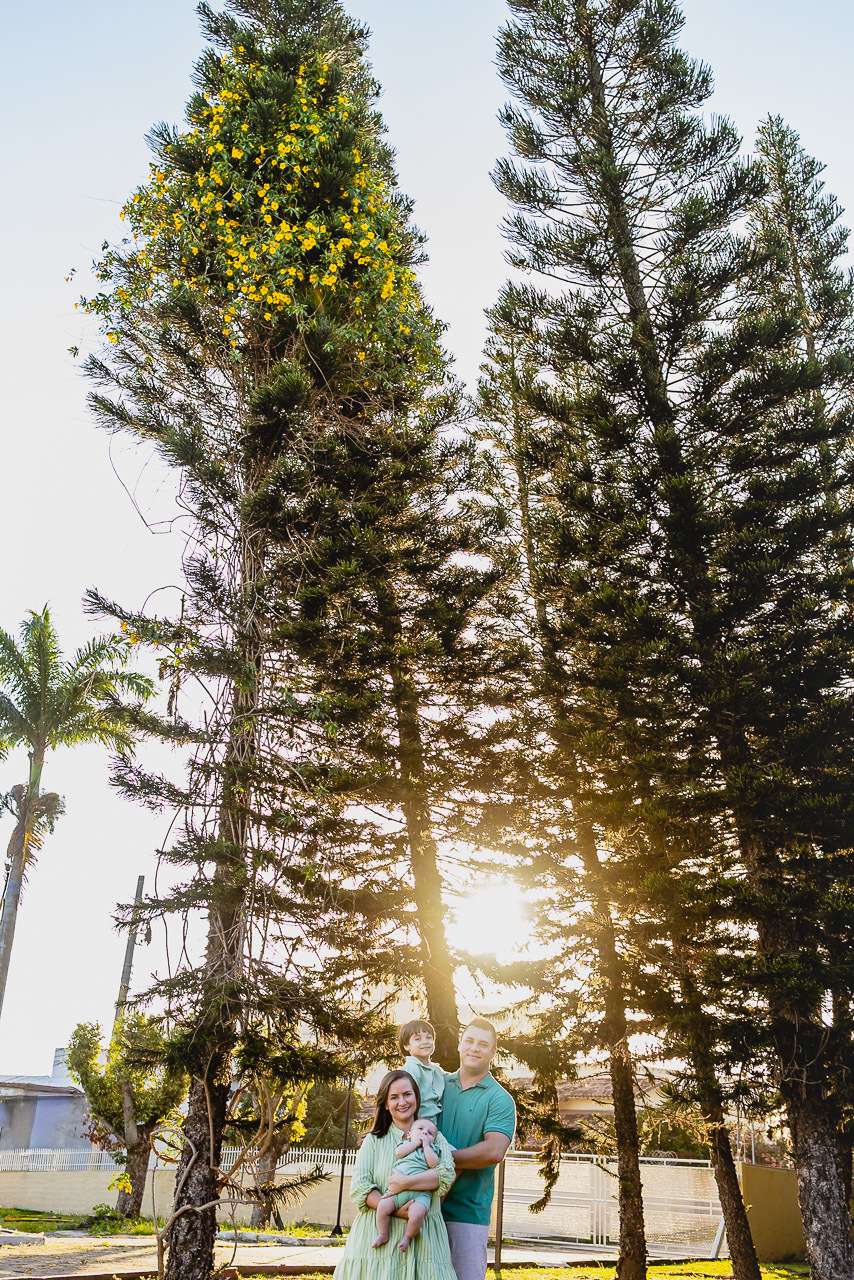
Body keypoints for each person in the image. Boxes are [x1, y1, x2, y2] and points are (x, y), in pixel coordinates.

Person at [386, 1018, 516, 1280]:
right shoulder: (436, 1085)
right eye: (469, 1041)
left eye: (483, 1044)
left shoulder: (499, 1099)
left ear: (492, 1052)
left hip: (466, 1215)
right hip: (419, 1208)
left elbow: (493, 1151)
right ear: (459, 1044)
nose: (474, 1048)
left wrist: (439, 1162)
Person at [332, 1069, 457, 1280]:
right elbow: (361, 1189)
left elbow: (444, 1177)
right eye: (394, 1097)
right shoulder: (373, 1141)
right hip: (374, 1240)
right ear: (386, 1104)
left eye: (407, 1094)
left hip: (425, 1240)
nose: (402, 1102)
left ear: (416, 1097)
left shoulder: (436, 1138)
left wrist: (405, 1183)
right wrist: (400, 1211)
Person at [372, 1116, 440, 1254]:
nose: (424, 1133)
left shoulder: (432, 1149)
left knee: (417, 1213)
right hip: (397, 1192)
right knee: (383, 1206)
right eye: (420, 1129)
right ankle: (383, 1234)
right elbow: (399, 1153)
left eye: (430, 1133)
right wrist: (415, 1143)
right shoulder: (405, 1144)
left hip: (420, 1193)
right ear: (409, 1134)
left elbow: (433, 1164)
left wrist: (426, 1146)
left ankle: (407, 1237)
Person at [398, 1018, 445, 1121]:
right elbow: (408, 1102)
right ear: (406, 1046)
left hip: (435, 1123)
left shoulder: (435, 1069)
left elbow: (451, 1078)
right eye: (418, 1039)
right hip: (419, 1126)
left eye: (429, 1037)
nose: (425, 1042)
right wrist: (420, 1125)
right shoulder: (411, 1069)